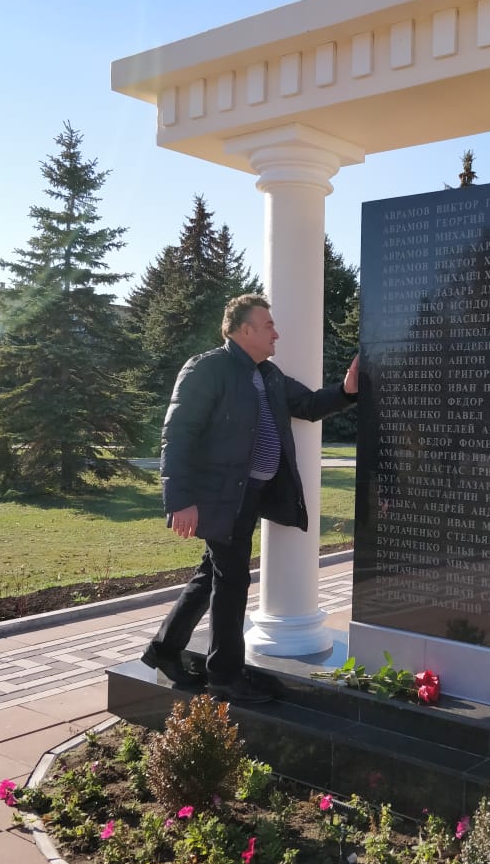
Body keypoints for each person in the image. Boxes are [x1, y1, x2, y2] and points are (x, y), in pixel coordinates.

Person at [140, 294, 359, 702]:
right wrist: (179, 500)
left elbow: (309, 404)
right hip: (219, 497)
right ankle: (224, 675)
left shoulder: (269, 375)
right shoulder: (208, 369)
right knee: (232, 580)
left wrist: (347, 390)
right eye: (268, 326)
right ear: (244, 331)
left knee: (213, 576)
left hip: (249, 495)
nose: (276, 333)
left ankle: (165, 650)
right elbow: (178, 435)